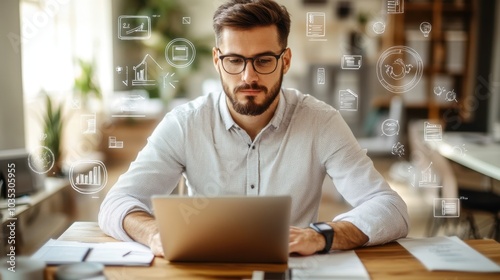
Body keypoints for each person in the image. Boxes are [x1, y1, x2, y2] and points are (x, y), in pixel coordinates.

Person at [99, 0, 409, 257]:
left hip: (293, 270)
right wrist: (153, 233)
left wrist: (321, 236)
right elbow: (116, 203)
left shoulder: (321, 122)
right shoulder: (184, 124)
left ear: (285, 61)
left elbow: (390, 208)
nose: (248, 77)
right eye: (235, 60)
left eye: (263, 61)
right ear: (218, 61)